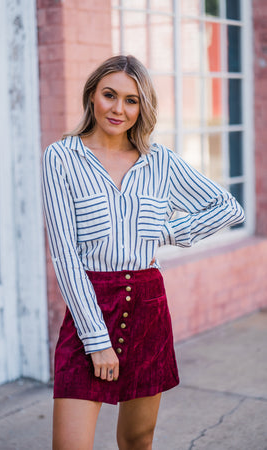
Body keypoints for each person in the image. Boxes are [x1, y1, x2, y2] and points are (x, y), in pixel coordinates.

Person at [41, 54, 245, 450]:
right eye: (109, 95)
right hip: (91, 305)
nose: (119, 109)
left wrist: (168, 231)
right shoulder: (62, 157)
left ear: (142, 106)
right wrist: (96, 341)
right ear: (92, 97)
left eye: (131, 100)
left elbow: (228, 207)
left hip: (148, 305)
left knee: (137, 440)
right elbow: (65, 257)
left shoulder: (159, 161)